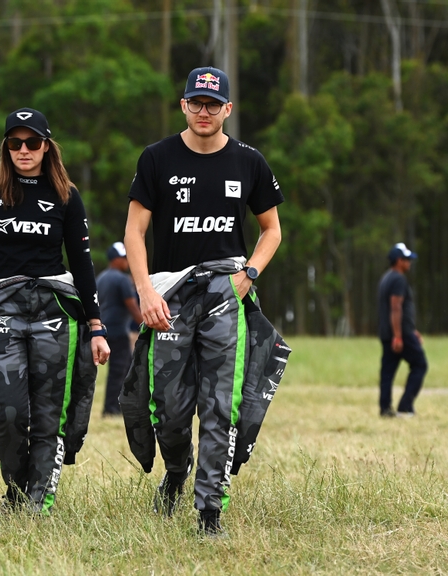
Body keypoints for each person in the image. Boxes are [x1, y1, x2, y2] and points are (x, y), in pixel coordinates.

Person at [120, 66, 291, 537]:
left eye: (213, 105)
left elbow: (271, 230)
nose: (203, 112)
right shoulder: (156, 158)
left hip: (225, 292)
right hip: (170, 294)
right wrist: (145, 290)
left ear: (227, 110)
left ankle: (209, 510)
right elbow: (134, 232)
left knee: (221, 405)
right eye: (195, 103)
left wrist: (249, 274)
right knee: (170, 410)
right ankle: (177, 472)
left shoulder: (249, 161)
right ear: (183, 106)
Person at [0, 108, 110, 515]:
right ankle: (17, 488)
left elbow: (83, 262)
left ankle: (39, 500)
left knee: (47, 414)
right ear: (6, 147)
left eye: (32, 142)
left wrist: (96, 325)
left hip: (53, 308)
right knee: (7, 411)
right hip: (2, 308)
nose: (24, 150)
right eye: (15, 143)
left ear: (46, 146)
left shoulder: (66, 195)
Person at [377, 242, 427, 418]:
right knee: (420, 364)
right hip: (400, 335)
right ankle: (405, 406)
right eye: (406, 259)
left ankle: (385, 408)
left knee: (387, 372)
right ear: (398, 261)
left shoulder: (386, 278)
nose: (409, 262)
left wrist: (412, 329)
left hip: (387, 333)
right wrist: (399, 336)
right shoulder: (398, 279)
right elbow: (396, 307)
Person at [96, 241, 143, 416]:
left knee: (121, 369)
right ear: (115, 259)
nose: (127, 261)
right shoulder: (122, 279)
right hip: (119, 332)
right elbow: (131, 305)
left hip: (105, 330)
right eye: (124, 258)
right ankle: (112, 408)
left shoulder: (101, 278)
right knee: (120, 371)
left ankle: (117, 406)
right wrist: (145, 325)